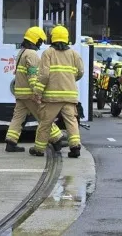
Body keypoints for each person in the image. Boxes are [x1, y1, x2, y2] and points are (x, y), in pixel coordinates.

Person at [5, 26, 63, 153]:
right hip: (30, 94)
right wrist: (37, 92)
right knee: (44, 116)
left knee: (18, 118)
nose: (40, 44)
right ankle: (57, 139)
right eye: (40, 41)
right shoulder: (32, 54)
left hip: (20, 93)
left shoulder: (22, 52)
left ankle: (10, 142)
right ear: (35, 40)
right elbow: (33, 75)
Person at [30, 26, 84, 158]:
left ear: (52, 38)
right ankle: (75, 147)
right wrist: (70, 80)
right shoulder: (74, 54)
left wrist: (37, 91)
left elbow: (44, 75)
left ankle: (39, 149)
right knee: (71, 121)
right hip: (70, 95)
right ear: (66, 38)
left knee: (45, 123)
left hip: (52, 97)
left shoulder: (48, 53)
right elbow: (80, 72)